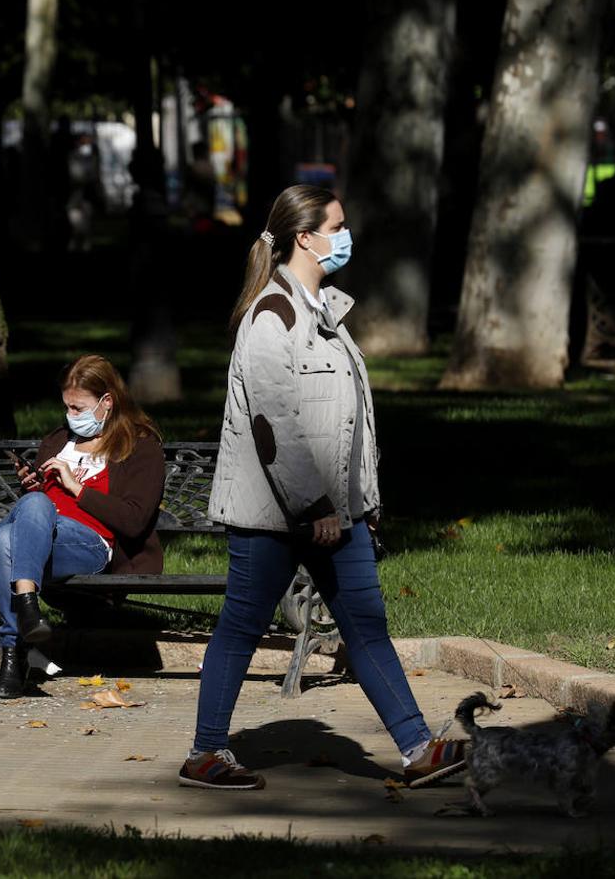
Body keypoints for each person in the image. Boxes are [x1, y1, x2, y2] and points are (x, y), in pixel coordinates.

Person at [181, 185, 467, 791]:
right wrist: (315, 507)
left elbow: (341, 425)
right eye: (337, 225)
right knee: (241, 625)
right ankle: (206, 753)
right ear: (304, 237)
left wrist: (361, 505)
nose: (345, 235)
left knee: (366, 626)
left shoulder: (325, 315)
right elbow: (274, 428)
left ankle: (418, 750)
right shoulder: (270, 317)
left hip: (338, 514)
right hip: (274, 516)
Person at [0, 354, 165, 699]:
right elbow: (36, 505)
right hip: (40, 540)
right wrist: (32, 485)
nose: (71, 417)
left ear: (107, 402)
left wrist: (77, 488)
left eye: (79, 408)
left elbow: (134, 520)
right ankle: (23, 627)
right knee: (10, 534)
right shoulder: (59, 440)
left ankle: (15, 648)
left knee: (7, 536)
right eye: (67, 407)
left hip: (92, 545)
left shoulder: (140, 446)